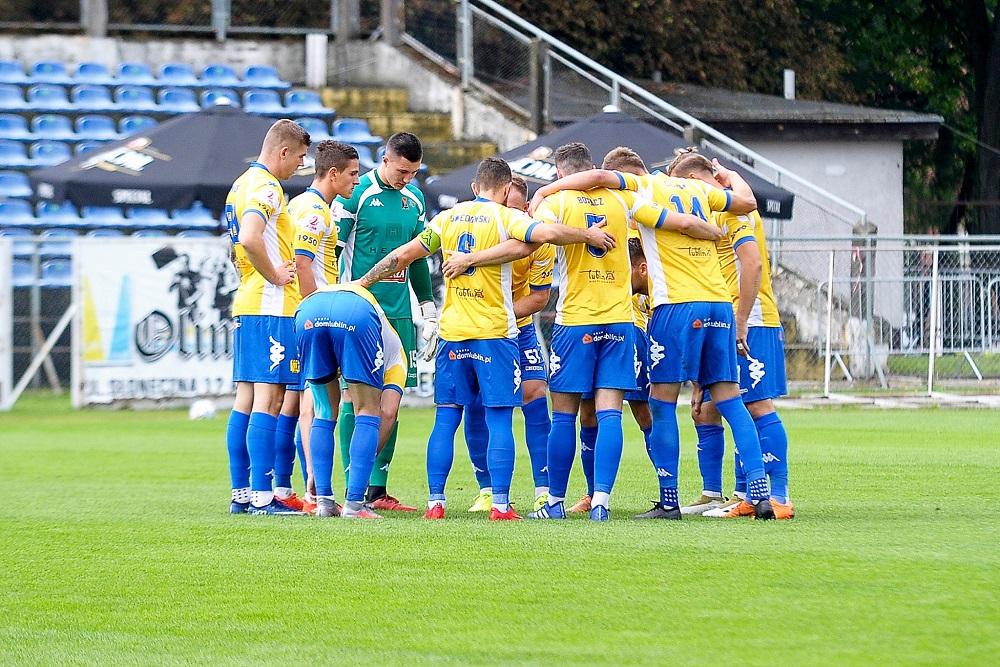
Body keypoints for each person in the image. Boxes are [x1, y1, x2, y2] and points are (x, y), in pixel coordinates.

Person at [452, 143, 720, 522]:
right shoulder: (623, 200)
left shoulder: (557, 202)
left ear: (560, 174)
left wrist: (473, 257)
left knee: (564, 415)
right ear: (591, 167)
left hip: (576, 320)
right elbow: (675, 222)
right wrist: (711, 231)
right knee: (610, 413)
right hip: (620, 320)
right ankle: (601, 502)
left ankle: (555, 503)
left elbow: (534, 238)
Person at [358, 156, 616, 521]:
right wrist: (587, 235)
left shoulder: (446, 218)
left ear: (474, 186)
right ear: (507, 188)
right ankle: (500, 504)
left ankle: (436, 503)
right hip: (494, 333)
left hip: (452, 333)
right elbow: (546, 234)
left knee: (445, 419)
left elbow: (402, 256)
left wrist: (361, 284)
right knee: (499, 420)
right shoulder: (506, 218)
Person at [528, 145, 776, 520]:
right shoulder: (698, 190)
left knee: (658, 404)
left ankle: (667, 500)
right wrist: (727, 178)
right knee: (730, 399)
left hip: (671, 305)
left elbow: (598, 181)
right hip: (718, 303)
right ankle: (759, 492)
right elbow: (745, 202)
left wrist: (545, 190)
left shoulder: (640, 191)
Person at [664, 149, 794, 520]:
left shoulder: (731, 209)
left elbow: (752, 263)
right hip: (722, 317)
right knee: (706, 408)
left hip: (751, 320)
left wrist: (741, 320)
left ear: (693, 181)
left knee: (756, 405)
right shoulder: (718, 207)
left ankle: (777, 496)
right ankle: (722, 493)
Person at [335, 132, 437, 512]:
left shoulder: (415, 199)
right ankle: (352, 484)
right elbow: (333, 251)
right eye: (401, 171)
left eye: (413, 173)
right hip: (360, 313)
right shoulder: (356, 193)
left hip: (399, 314)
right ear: (386, 159)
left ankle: (377, 490)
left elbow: (418, 256)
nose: (406, 179)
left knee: (392, 403)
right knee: (355, 398)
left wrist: (427, 307)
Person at [223, 119, 310, 516]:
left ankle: (242, 494)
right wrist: (274, 275)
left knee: (245, 397)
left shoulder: (239, 185)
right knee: (269, 398)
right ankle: (262, 495)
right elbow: (249, 237)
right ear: (283, 152)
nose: (300, 165)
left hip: (248, 303)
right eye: (300, 157)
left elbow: (235, 246)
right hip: (271, 305)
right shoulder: (267, 187)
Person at [455, 175, 556, 513]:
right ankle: (487, 489)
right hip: (478, 331)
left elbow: (539, 297)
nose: (505, 215)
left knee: (535, 393)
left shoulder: (537, 240)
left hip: (518, 329)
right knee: (477, 402)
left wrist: (501, 314)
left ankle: (544, 489)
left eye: (512, 209)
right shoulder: (479, 227)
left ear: (525, 209)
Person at [274, 141, 361, 515]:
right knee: (313, 402)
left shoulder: (305, 206)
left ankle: (288, 486)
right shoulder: (313, 211)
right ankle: (313, 487)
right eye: (353, 174)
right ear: (333, 173)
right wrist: (315, 309)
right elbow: (302, 263)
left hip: (303, 313)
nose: (356, 181)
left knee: (295, 402)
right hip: (312, 314)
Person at [294, 283, 407, 519]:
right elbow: (388, 413)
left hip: (309, 309)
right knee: (367, 410)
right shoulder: (397, 359)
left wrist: (313, 471)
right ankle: (354, 505)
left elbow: (308, 411)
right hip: (355, 313)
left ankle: (324, 502)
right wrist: (361, 466)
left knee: (324, 411)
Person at [568, 232, 655, 514]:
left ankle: (668, 492)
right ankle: (592, 494)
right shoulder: (595, 237)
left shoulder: (639, 234)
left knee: (643, 412)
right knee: (587, 414)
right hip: (590, 327)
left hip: (630, 332)